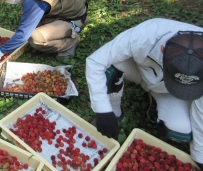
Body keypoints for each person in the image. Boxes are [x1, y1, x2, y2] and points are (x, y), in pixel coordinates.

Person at [85, 18, 203, 169]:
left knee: (180, 131)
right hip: (142, 73)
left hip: (170, 93)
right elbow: (96, 61)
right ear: (162, 49)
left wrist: (200, 156)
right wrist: (103, 110)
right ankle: (115, 112)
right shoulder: (144, 36)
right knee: (110, 66)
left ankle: (157, 100)